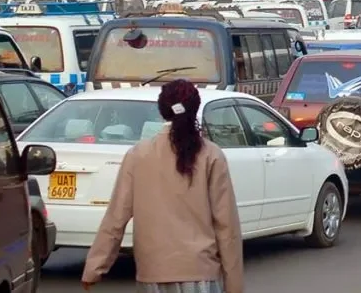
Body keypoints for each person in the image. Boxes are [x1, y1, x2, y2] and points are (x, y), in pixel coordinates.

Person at [82, 79, 243, 293]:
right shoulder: (211, 156)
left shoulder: (138, 155)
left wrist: (94, 268)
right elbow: (227, 226)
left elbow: (115, 219)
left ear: (162, 111)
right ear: (195, 108)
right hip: (200, 271)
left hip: (152, 273)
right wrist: (234, 285)